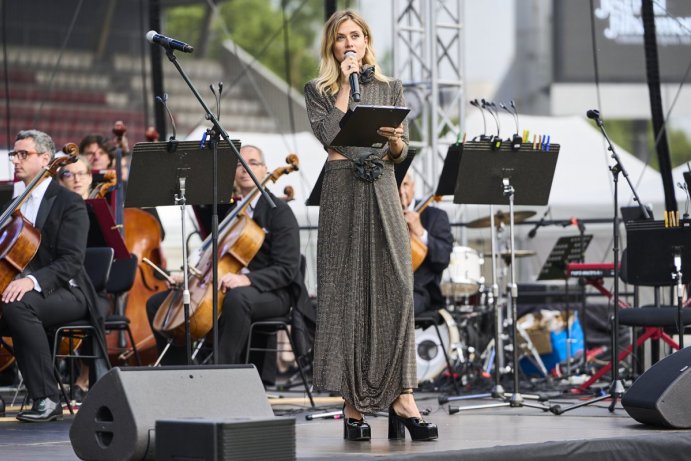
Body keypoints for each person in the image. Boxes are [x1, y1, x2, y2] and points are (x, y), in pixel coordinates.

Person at [304, 10, 437, 441]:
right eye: (341, 38)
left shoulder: (390, 86)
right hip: (342, 188)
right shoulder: (319, 90)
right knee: (346, 293)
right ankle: (352, 405)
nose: (349, 43)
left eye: (355, 36)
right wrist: (345, 84)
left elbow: (400, 149)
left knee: (397, 289)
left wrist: (398, 143)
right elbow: (328, 134)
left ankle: (403, 396)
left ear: (367, 40)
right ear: (333, 47)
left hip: (381, 184)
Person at [146, 145, 306, 383]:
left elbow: (287, 268)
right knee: (158, 304)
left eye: (252, 163)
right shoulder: (231, 212)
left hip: (273, 292)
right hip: (226, 286)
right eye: (240, 165)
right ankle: (179, 377)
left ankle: (223, 379)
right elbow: (217, 259)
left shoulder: (278, 212)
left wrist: (246, 279)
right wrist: (190, 277)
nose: (245, 169)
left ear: (264, 170)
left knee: (237, 298)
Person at [0, 130, 107, 422]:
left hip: (67, 291)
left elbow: (72, 261)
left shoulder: (68, 202)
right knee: (13, 301)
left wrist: (31, 281)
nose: (16, 160)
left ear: (45, 159)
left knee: (16, 304)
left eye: (24, 154)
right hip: (20, 289)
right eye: (14, 154)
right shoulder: (9, 201)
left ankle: (47, 398)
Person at [399, 173, 454, 315]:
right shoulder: (384, 215)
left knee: (399, 306)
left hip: (419, 290)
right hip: (386, 286)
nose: (401, 191)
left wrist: (421, 232)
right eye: (397, 184)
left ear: (413, 186)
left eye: (405, 184)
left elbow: (443, 259)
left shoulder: (436, 216)